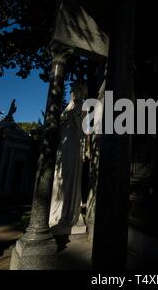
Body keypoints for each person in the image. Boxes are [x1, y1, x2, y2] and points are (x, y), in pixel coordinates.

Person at [49, 82, 87, 229]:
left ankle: (68, 211)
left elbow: (82, 130)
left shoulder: (82, 108)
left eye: (76, 91)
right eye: (72, 91)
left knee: (69, 177)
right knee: (59, 178)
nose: (73, 93)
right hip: (63, 148)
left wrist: (73, 119)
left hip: (74, 147)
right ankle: (57, 212)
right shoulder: (68, 108)